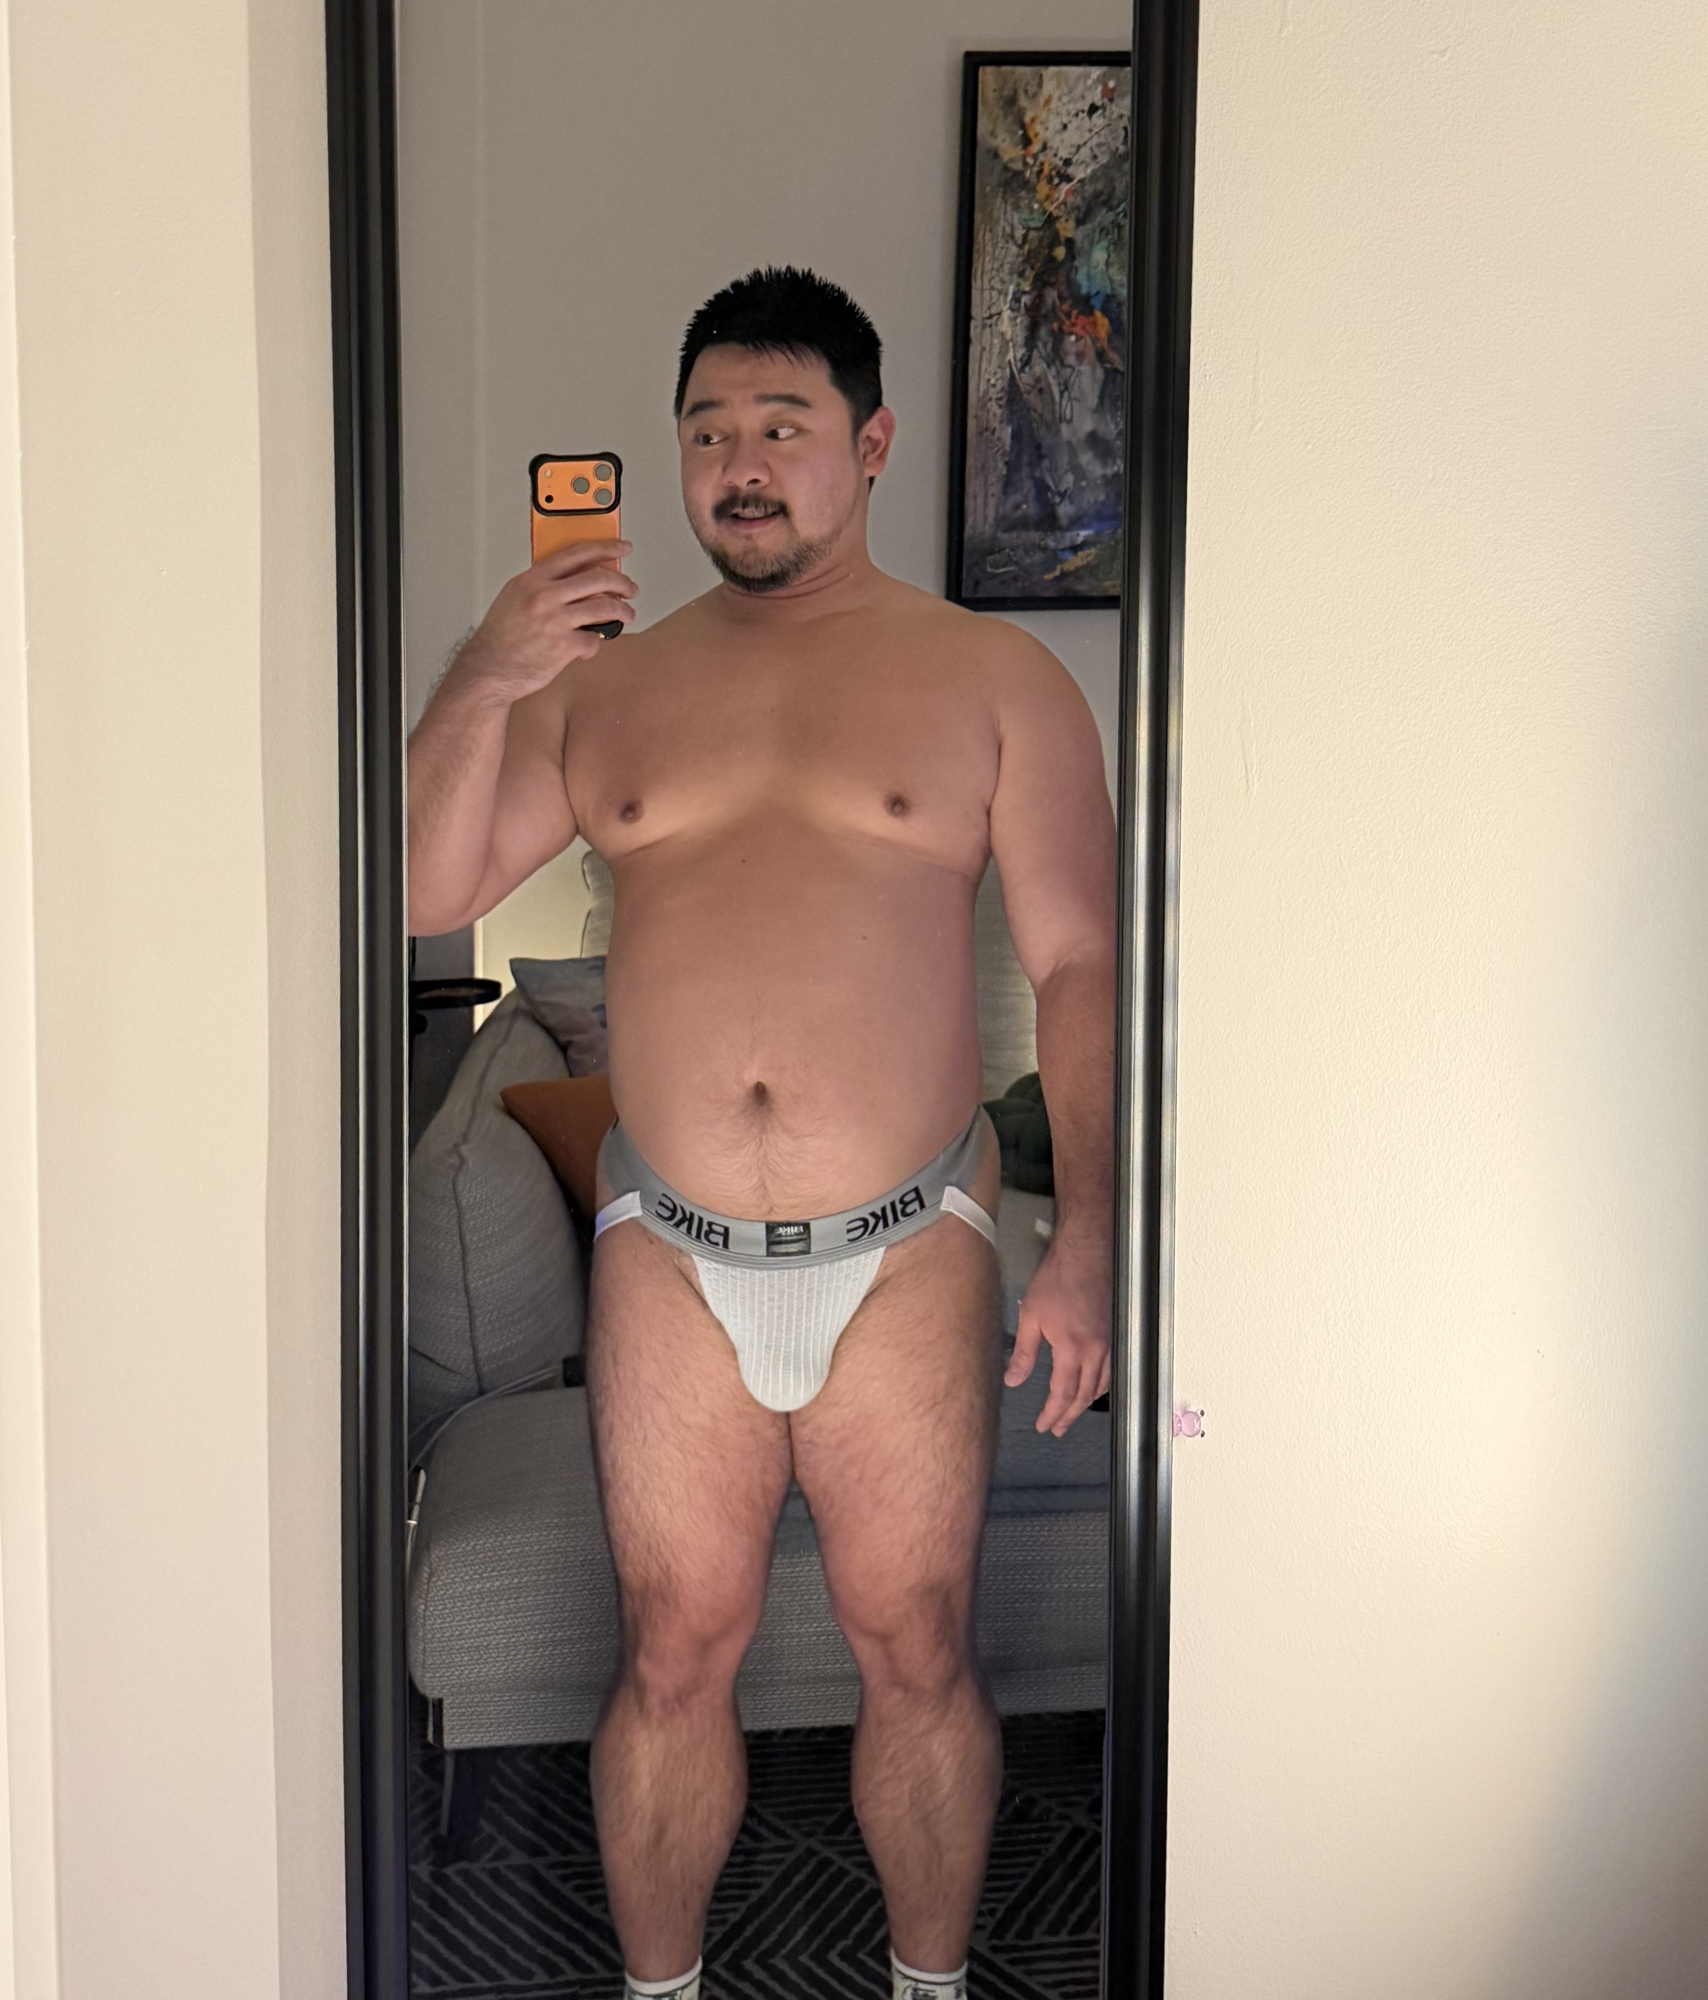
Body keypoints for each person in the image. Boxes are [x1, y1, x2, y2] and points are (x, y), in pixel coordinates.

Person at [407, 267, 1116, 2000]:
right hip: (669, 1244)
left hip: (909, 1242)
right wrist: (486, 672)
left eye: (782, 427)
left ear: (870, 445)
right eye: (708, 430)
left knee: (917, 1647)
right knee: (670, 1653)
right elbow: (427, 887)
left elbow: (1081, 963)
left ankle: (931, 1986)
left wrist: (1092, 1234)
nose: (740, 464)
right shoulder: (598, 688)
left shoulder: (997, 676)